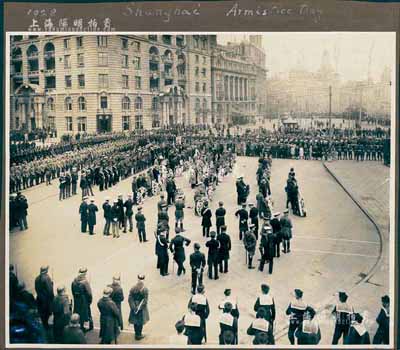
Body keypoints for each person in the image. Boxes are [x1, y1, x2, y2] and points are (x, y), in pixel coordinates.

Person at [71, 267, 93, 332]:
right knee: (87, 314)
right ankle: (88, 327)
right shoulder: (85, 282)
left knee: (78, 313)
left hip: (77, 300)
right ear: (85, 273)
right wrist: (89, 301)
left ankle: (79, 325)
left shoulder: (74, 281)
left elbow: (73, 291)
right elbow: (89, 294)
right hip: (84, 301)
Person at [128, 275, 149, 341]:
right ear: (144, 279)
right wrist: (139, 308)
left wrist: (133, 307)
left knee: (135, 321)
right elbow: (145, 301)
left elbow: (130, 298)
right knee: (140, 322)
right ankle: (139, 335)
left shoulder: (133, 287)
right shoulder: (145, 289)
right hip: (141, 307)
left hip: (134, 306)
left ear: (137, 279)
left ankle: (136, 333)